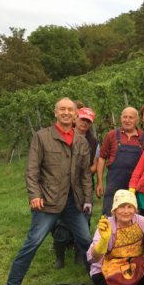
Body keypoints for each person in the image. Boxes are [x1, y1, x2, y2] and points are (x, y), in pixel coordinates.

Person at [0, 97, 93, 285]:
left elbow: (85, 174)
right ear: (56, 113)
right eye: (62, 109)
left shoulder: (81, 141)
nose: (67, 112)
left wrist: (88, 199)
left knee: (87, 242)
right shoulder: (42, 137)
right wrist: (34, 195)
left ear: (76, 114)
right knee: (33, 242)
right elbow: (31, 170)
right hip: (48, 202)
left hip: (73, 202)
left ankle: (100, 284)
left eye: (70, 109)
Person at [87, 190, 144, 285]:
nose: (126, 211)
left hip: (135, 264)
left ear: (135, 209)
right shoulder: (107, 225)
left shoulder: (143, 223)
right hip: (106, 268)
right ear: (114, 210)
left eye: (130, 207)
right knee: (124, 283)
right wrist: (103, 240)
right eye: (121, 207)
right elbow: (92, 258)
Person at [52, 107, 99, 269]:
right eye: (82, 119)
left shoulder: (93, 142)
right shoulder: (62, 137)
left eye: (88, 121)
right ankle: (59, 256)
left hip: (83, 188)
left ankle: (81, 255)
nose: (84, 123)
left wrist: (81, 173)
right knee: (60, 225)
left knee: (84, 224)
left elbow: (94, 166)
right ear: (75, 118)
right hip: (63, 189)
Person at [96, 107, 144, 216]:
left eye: (131, 117)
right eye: (125, 117)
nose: (127, 120)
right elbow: (102, 157)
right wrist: (100, 182)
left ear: (137, 120)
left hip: (135, 186)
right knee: (109, 216)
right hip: (114, 185)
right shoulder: (112, 135)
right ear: (121, 119)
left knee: (133, 218)